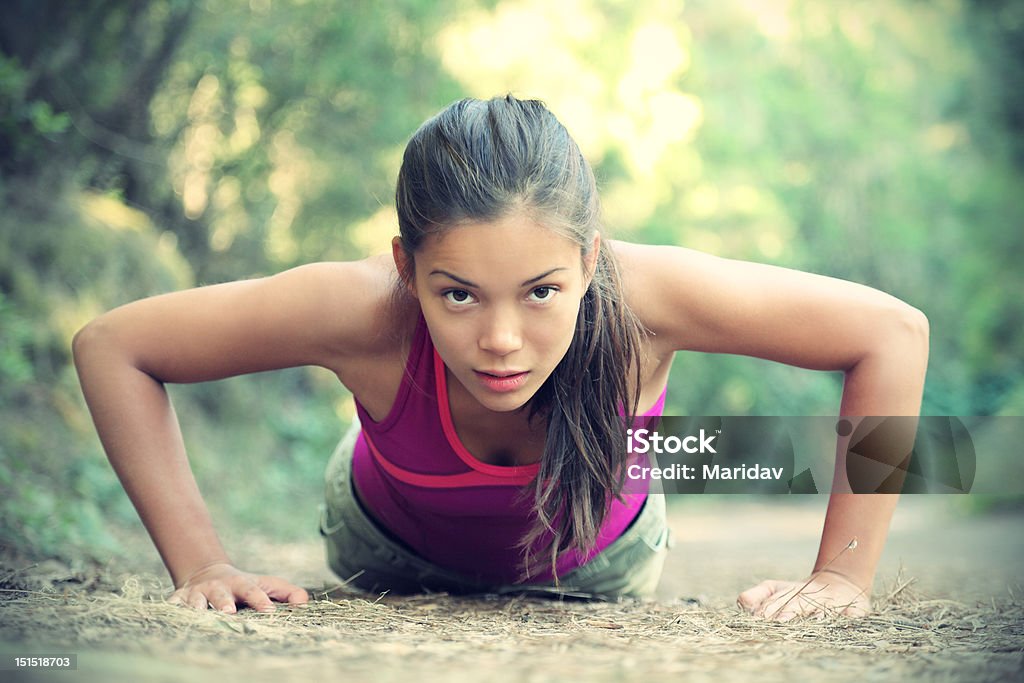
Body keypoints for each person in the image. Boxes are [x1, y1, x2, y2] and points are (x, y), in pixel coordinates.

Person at [72, 95, 929, 621]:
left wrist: (841, 576)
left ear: (590, 260)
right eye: (458, 294)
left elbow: (891, 334)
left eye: (542, 291)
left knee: (704, 449)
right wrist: (202, 564)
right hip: (384, 543)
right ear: (407, 267)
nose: (502, 340)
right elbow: (114, 346)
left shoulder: (647, 298)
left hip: (602, 561)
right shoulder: (360, 308)